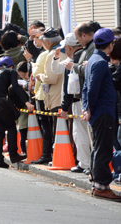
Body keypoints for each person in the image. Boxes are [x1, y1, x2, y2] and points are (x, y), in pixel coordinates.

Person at [82, 28, 121, 201]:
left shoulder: (93, 60)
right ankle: (101, 186)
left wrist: (86, 108)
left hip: (99, 112)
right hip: (103, 112)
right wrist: (89, 108)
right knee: (103, 150)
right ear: (110, 45)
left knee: (99, 148)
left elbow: (86, 87)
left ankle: (98, 184)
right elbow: (92, 90)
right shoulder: (100, 62)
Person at [0, 56, 34, 168]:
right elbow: (15, 87)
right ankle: (13, 154)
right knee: (11, 126)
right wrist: (27, 102)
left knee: (0, 130)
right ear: (11, 66)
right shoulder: (11, 71)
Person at [51, 33, 88, 173]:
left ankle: (85, 163)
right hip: (85, 100)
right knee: (85, 133)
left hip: (78, 101)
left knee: (80, 133)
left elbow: (68, 86)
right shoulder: (82, 56)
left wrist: (64, 107)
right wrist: (55, 58)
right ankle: (87, 163)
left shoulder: (72, 61)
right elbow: (56, 69)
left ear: (68, 47)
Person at [33, 27, 66, 165]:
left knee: (55, 128)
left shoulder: (52, 53)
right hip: (63, 94)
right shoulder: (64, 50)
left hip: (55, 95)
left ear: (46, 41)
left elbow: (50, 78)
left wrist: (39, 75)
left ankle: (55, 156)